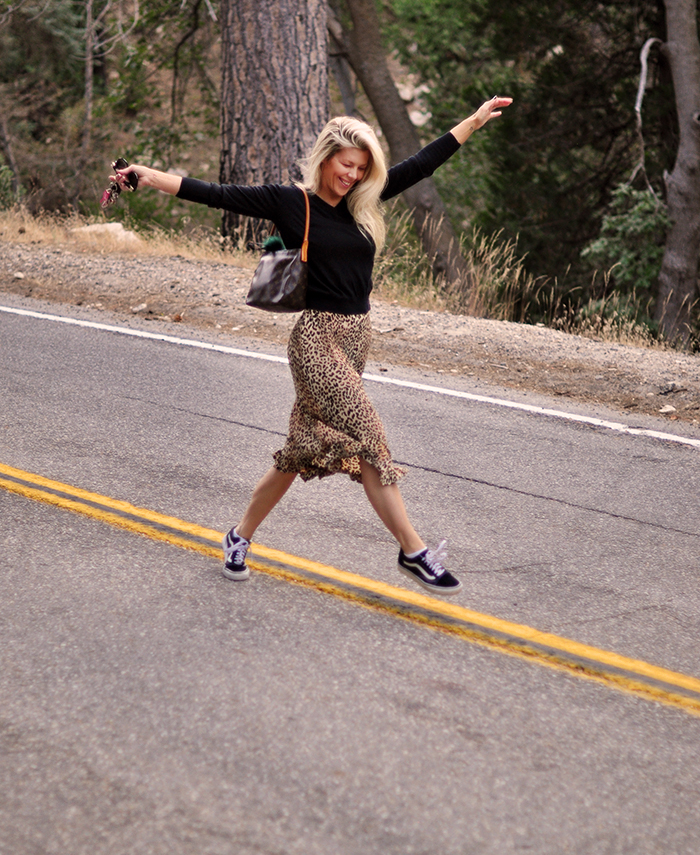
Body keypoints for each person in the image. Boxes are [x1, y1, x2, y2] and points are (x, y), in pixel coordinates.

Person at [112, 95, 512, 595]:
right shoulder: (290, 202)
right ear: (326, 159)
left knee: (301, 448)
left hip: (356, 338)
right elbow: (216, 193)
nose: (353, 176)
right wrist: (146, 175)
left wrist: (472, 123)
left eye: (362, 169)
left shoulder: (361, 204)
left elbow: (420, 164)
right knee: (371, 439)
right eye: (347, 165)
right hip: (316, 339)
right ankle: (414, 551)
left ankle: (238, 536)